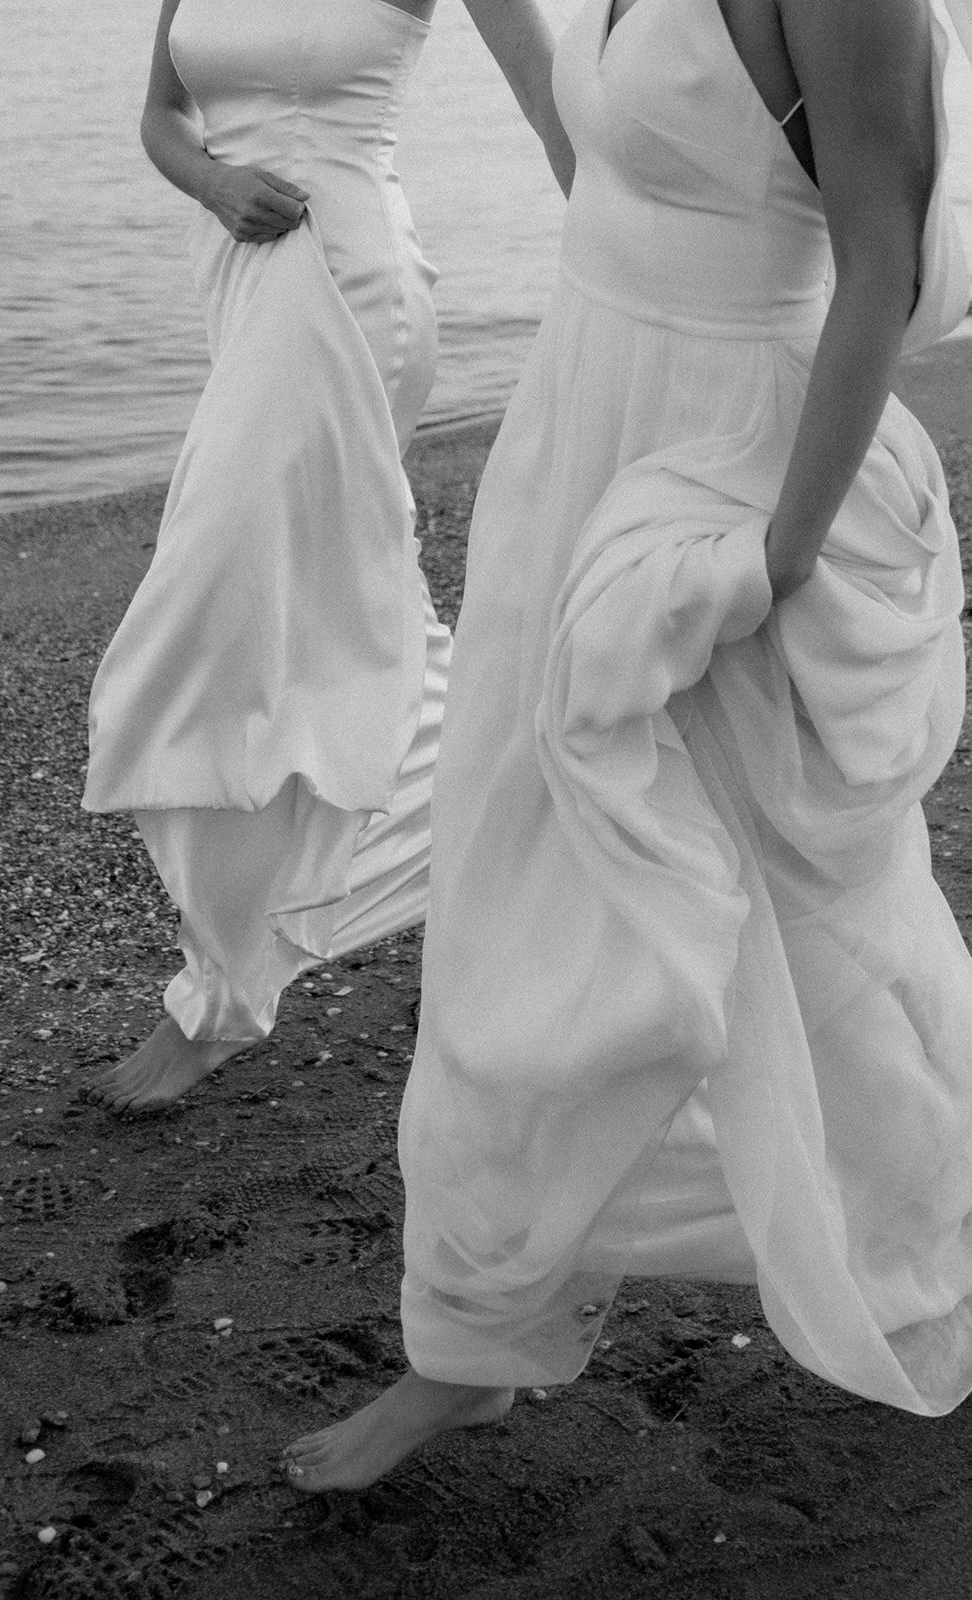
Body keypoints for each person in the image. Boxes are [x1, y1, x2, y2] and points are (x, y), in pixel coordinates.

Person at [282, 0, 972, 1492]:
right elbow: (602, 160)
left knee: (807, 922)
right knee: (506, 889)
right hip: (575, 440)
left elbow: (884, 261)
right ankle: (472, 1338)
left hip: (723, 477)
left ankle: (925, 1260)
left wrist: (777, 556)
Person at [82, 0, 574, 1114]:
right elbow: (162, 115)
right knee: (343, 613)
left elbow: (554, 105)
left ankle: (217, 1000)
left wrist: (654, 285)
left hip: (352, 285)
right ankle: (535, 808)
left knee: (211, 607)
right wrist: (213, 185)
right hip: (246, 282)